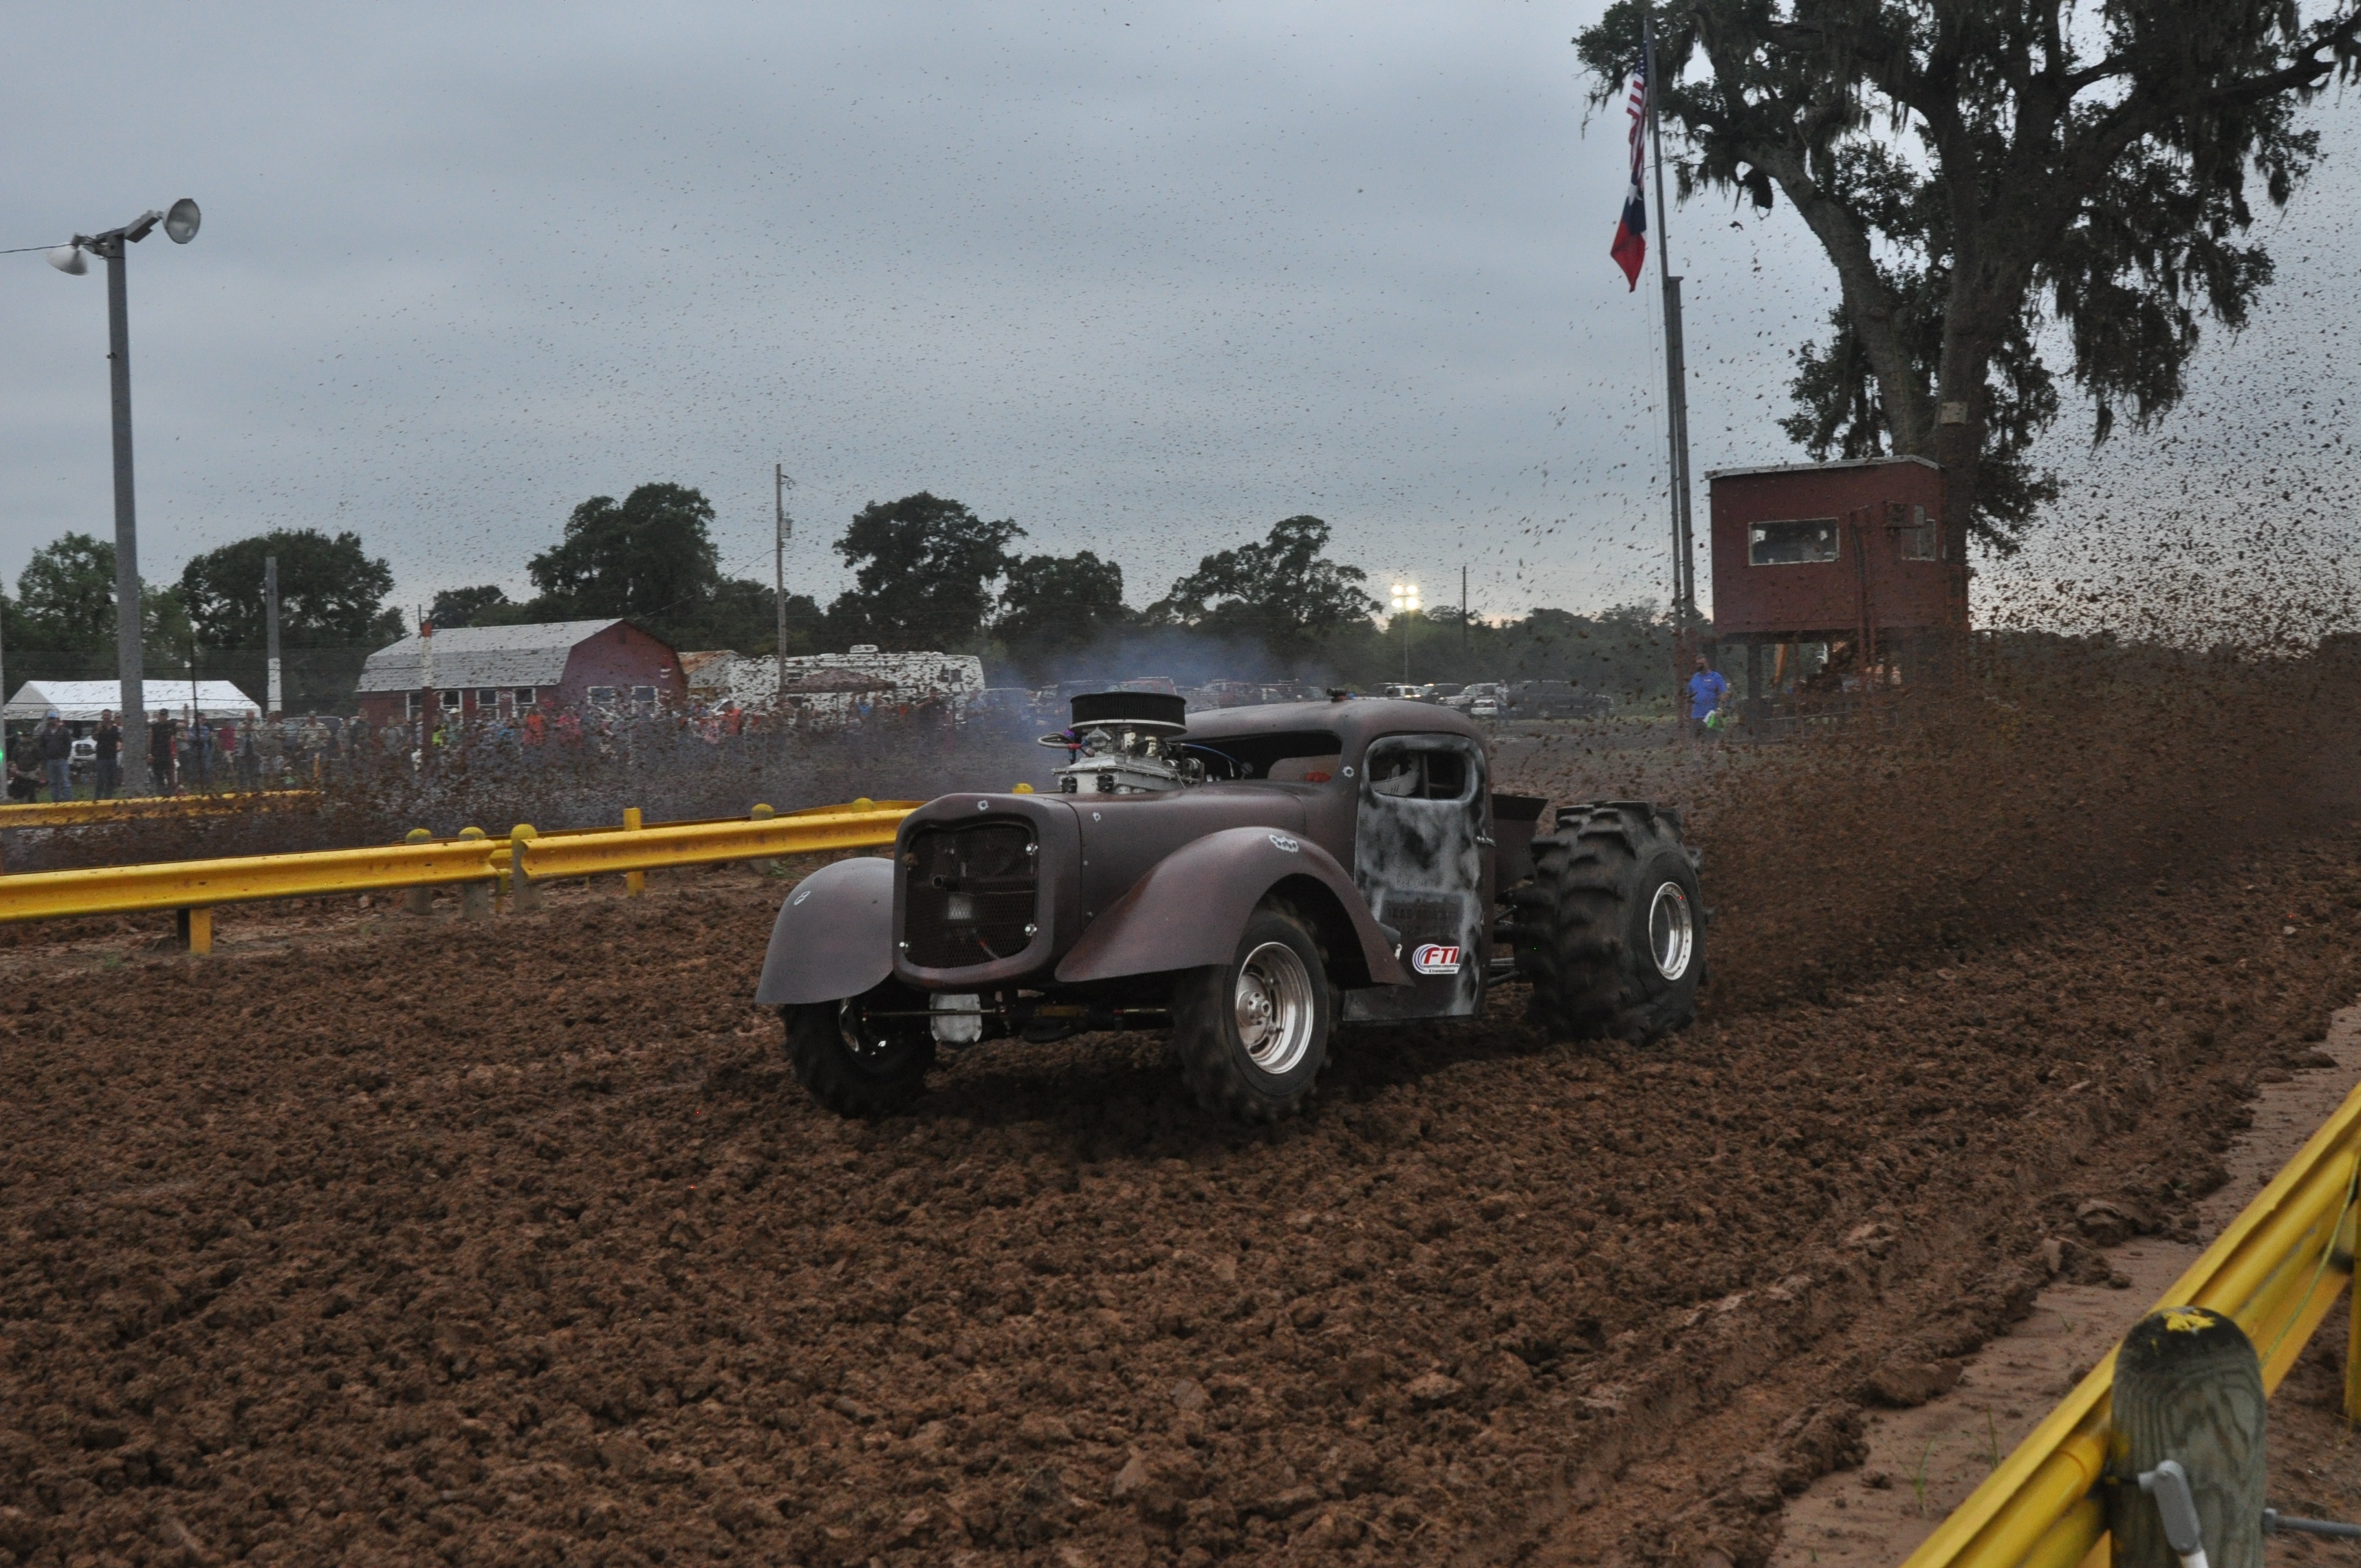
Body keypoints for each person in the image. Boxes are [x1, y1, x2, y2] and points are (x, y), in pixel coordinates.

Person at [1686, 655, 1730, 742]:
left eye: (1701, 663)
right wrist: (1687, 711)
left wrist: (1720, 709)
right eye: (1697, 664)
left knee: (1712, 739)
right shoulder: (1694, 678)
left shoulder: (1716, 677)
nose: (1699, 666)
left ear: (1707, 664)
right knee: (1696, 740)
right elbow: (1689, 696)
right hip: (1697, 715)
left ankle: (1712, 756)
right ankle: (1698, 756)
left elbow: (1723, 693)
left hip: (1712, 715)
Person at [36, 710, 73, 801]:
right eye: (50, 719)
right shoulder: (45, 733)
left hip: (61, 759)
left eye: (53, 718)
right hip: (50, 761)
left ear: (57, 719)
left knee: (65, 781)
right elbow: (42, 746)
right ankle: (56, 800)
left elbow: (68, 744)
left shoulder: (64, 731)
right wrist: (45, 757)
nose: (51, 720)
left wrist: (65, 756)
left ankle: (68, 800)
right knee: (53, 782)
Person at [92, 710, 123, 799]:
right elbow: (94, 738)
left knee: (111, 780)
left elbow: (119, 739)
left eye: (108, 715)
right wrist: (98, 731)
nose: (106, 717)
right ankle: (97, 799)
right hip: (101, 757)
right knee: (100, 780)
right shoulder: (99, 726)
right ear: (102, 716)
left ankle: (108, 799)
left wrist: (119, 747)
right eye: (105, 715)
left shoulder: (114, 728)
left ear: (110, 716)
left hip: (112, 756)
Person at [149, 709, 178, 794]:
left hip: (168, 754)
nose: (162, 717)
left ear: (167, 716)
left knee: (170, 775)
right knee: (158, 776)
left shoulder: (170, 725)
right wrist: (149, 754)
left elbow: (184, 725)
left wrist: (186, 711)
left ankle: (170, 793)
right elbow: (150, 740)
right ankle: (160, 793)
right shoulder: (154, 726)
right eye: (161, 715)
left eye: (164, 715)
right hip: (157, 754)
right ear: (158, 716)